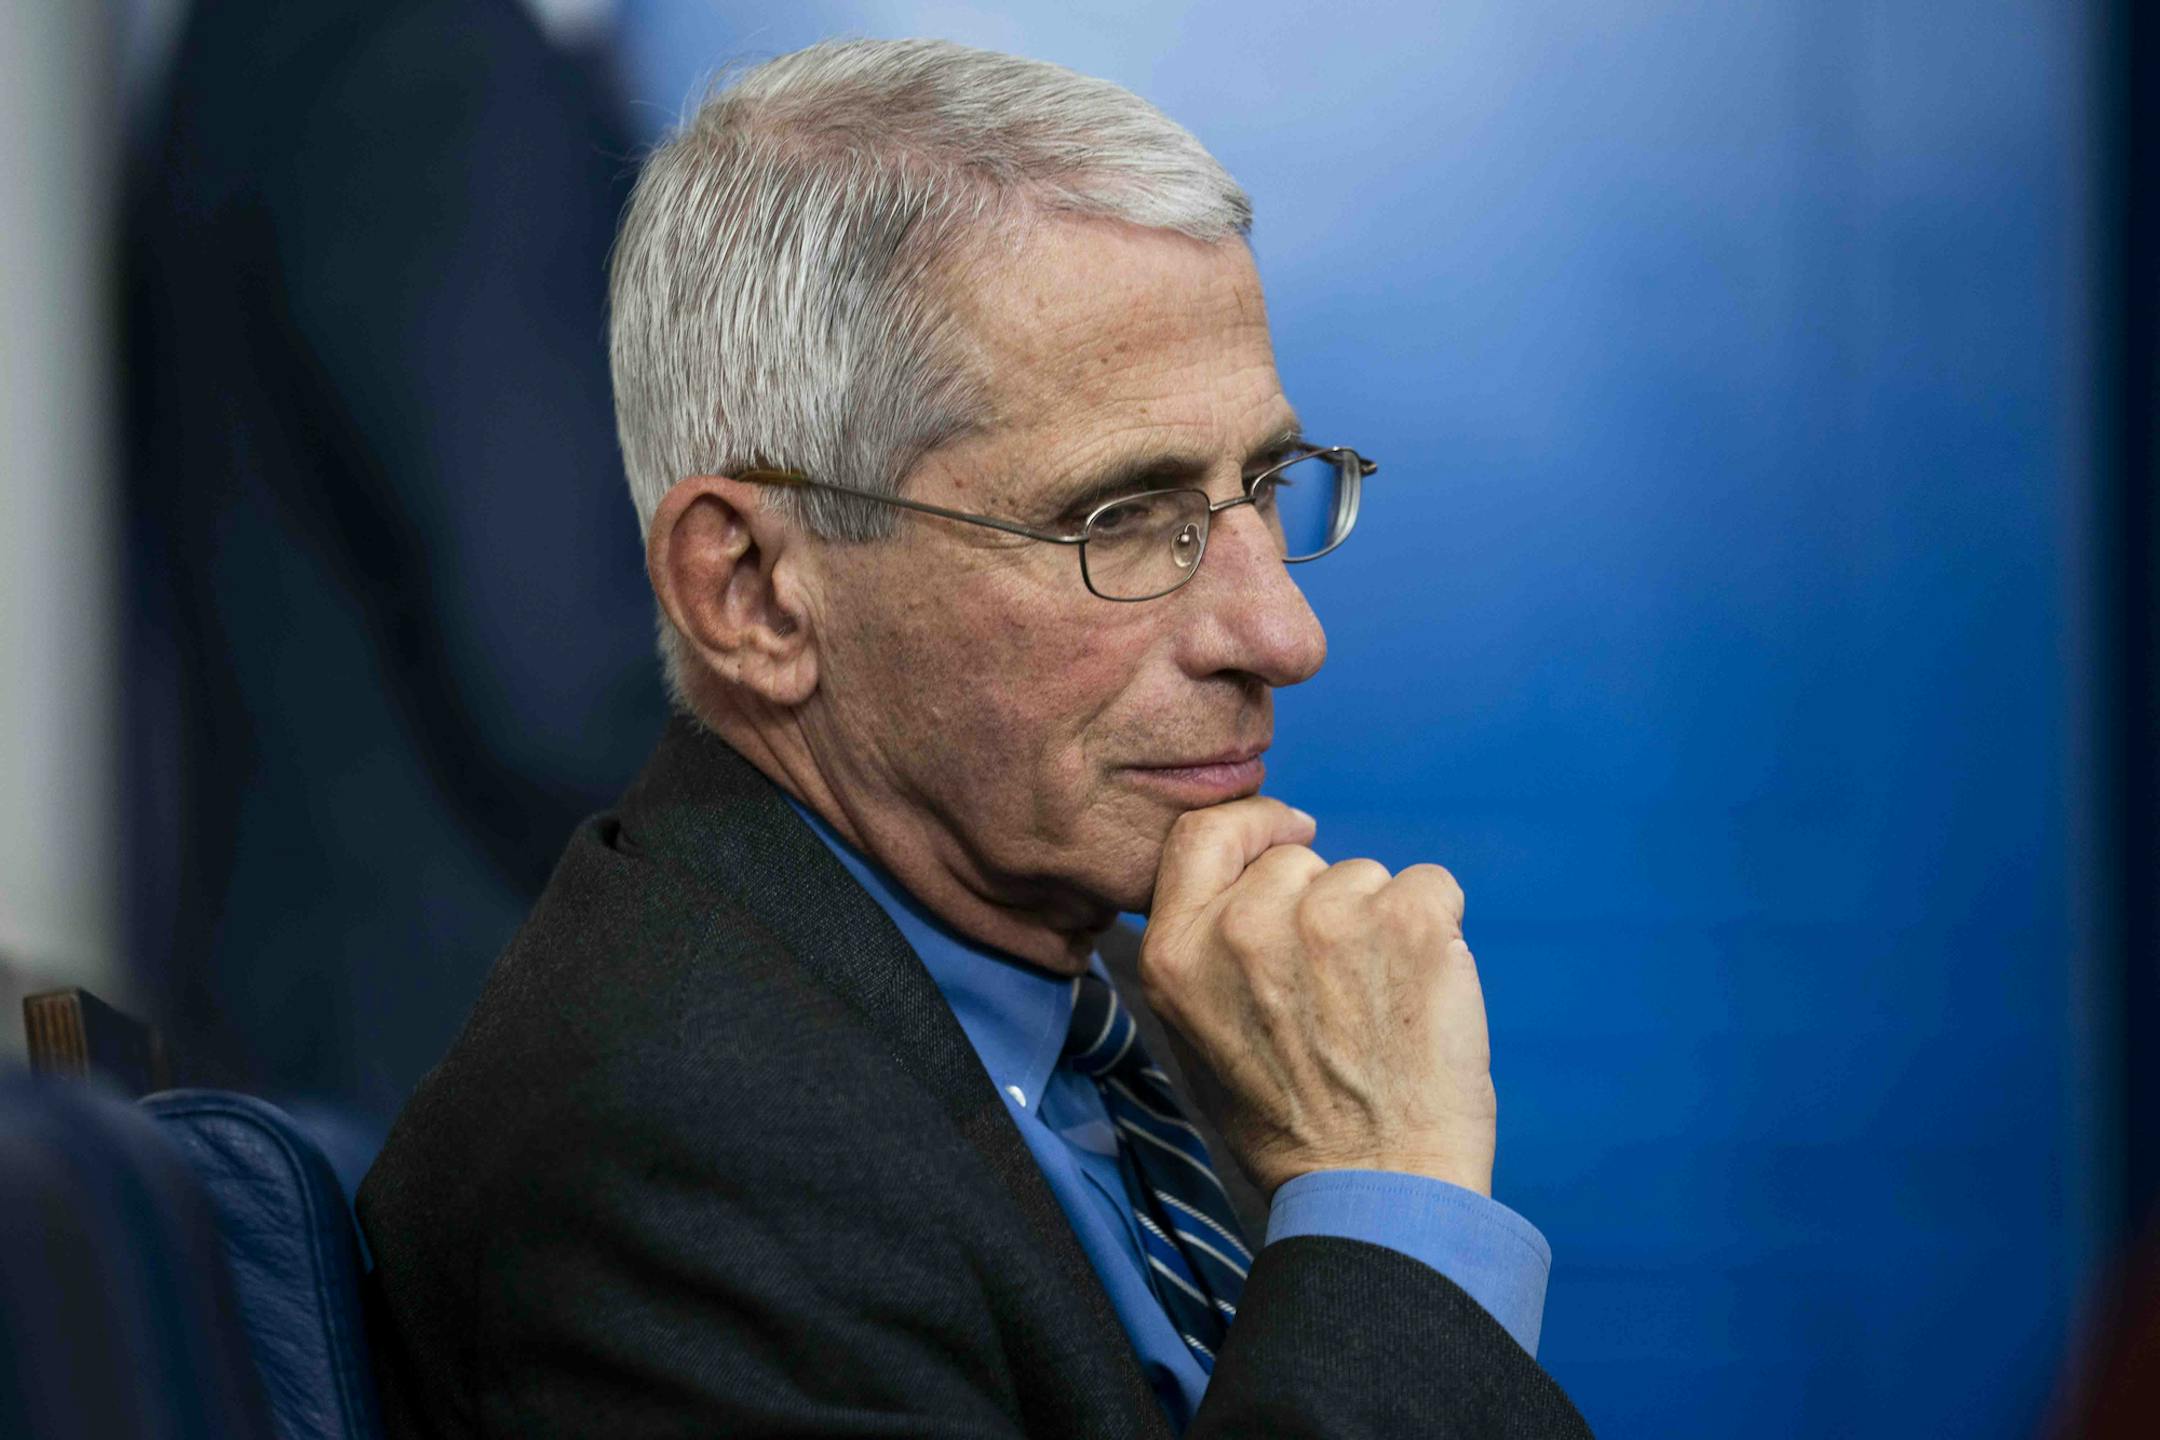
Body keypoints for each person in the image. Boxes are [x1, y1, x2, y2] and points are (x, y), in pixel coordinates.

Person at [358, 38, 1594, 1438]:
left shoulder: (1157, 1012)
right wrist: (1386, 1204)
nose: (1283, 640)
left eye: (1262, 488)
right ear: (752, 592)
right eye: (1120, 518)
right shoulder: (670, 1151)